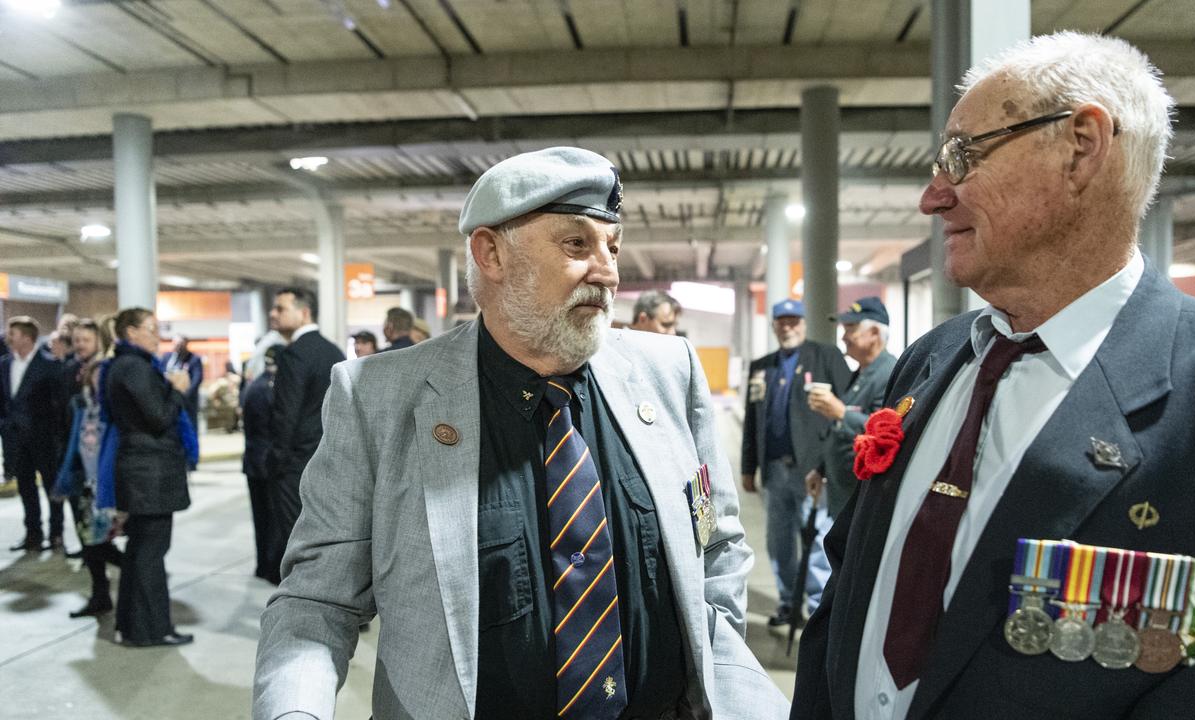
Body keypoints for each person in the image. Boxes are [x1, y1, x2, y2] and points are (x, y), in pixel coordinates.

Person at [792, 32, 1195, 720]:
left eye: (963, 155)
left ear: (1082, 147)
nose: (933, 197)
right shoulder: (933, 359)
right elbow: (848, 596)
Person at [255, 147, 789, 720]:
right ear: (491, 253)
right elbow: (317, 601)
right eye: (576, 244)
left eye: (612, 246)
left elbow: (715, 547)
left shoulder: (669, 373)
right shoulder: (379, 398)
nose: (608, 272)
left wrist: (726, 680)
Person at [741, 299, 852, 627]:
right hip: (775, 469)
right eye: (782, 321)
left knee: (817, 540)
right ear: (774, 325)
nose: (788, 327)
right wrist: (749, 467)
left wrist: (831, 463)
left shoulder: (825, 356)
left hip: (812, 470)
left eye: (794, 321)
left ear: (803, 324)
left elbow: (847, 403)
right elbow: (752, 420)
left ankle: (818, 607)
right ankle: (789, 603)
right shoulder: (762, 366)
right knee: (779, 542)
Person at [106, 308, 198, 647]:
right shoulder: (135, 368)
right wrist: (177, 389)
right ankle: (152, 629)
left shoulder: (125, 366)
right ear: (131, 332)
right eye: (150, 329)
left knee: (139, 550)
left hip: (142, 472)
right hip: (149, 474)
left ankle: (131, 626)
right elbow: (158, 417)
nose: (157, 335)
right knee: (150, 552)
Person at [262, 287, 345, 585]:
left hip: (296, 464)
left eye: (281, 308)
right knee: (329, 537)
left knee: (298, 540)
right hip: (330, 457)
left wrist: (277, 461)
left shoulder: (295, 354)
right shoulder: (332, 350)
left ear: (304, 313)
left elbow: (286, 414)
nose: (273, 313)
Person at [803, 297, 898, 519]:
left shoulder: (889, 374)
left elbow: (885, 436)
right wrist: (821, 469)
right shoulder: (862, 373)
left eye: (851, 329)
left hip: (863, 499)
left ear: (874, 333)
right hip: (844, 494)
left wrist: (841, 413)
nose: (844, 337)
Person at [54, 352, 123, 618]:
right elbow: (73, 443)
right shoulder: (80, 406)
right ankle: (100, 595)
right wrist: (64, 478)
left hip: (108, 486)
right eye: (95, 376)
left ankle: (136, 574)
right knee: (89, 543)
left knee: (100, 542)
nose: (99, 381)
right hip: (84, 484)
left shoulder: (116, 409)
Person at [1, 317, 69, 552]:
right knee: (26, 487)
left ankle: (56, 534)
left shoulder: (50, 365)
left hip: (44, 439)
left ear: (27, 338)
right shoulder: (4, 365)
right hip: (16, 440)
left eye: (13, 334)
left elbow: (59, 404)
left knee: (52, 486)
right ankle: (33, 534)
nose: (8, 337)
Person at [242, 344, 282, 582]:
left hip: (252, 459)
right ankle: (272, 567)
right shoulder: (273, 389)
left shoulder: (253, 386)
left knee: (260, 519)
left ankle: (261, 565)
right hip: (268, 462)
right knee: (274, 519)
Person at [161, 334, 204, 425]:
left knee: (189, 425)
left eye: (180, 344)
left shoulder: (194, 359)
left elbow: (197, 379)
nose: (177, 347)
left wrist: (185, 394)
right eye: (175, 344)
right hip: (169, 399)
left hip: (187, 400)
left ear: (185, 344)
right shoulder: (167, 357)